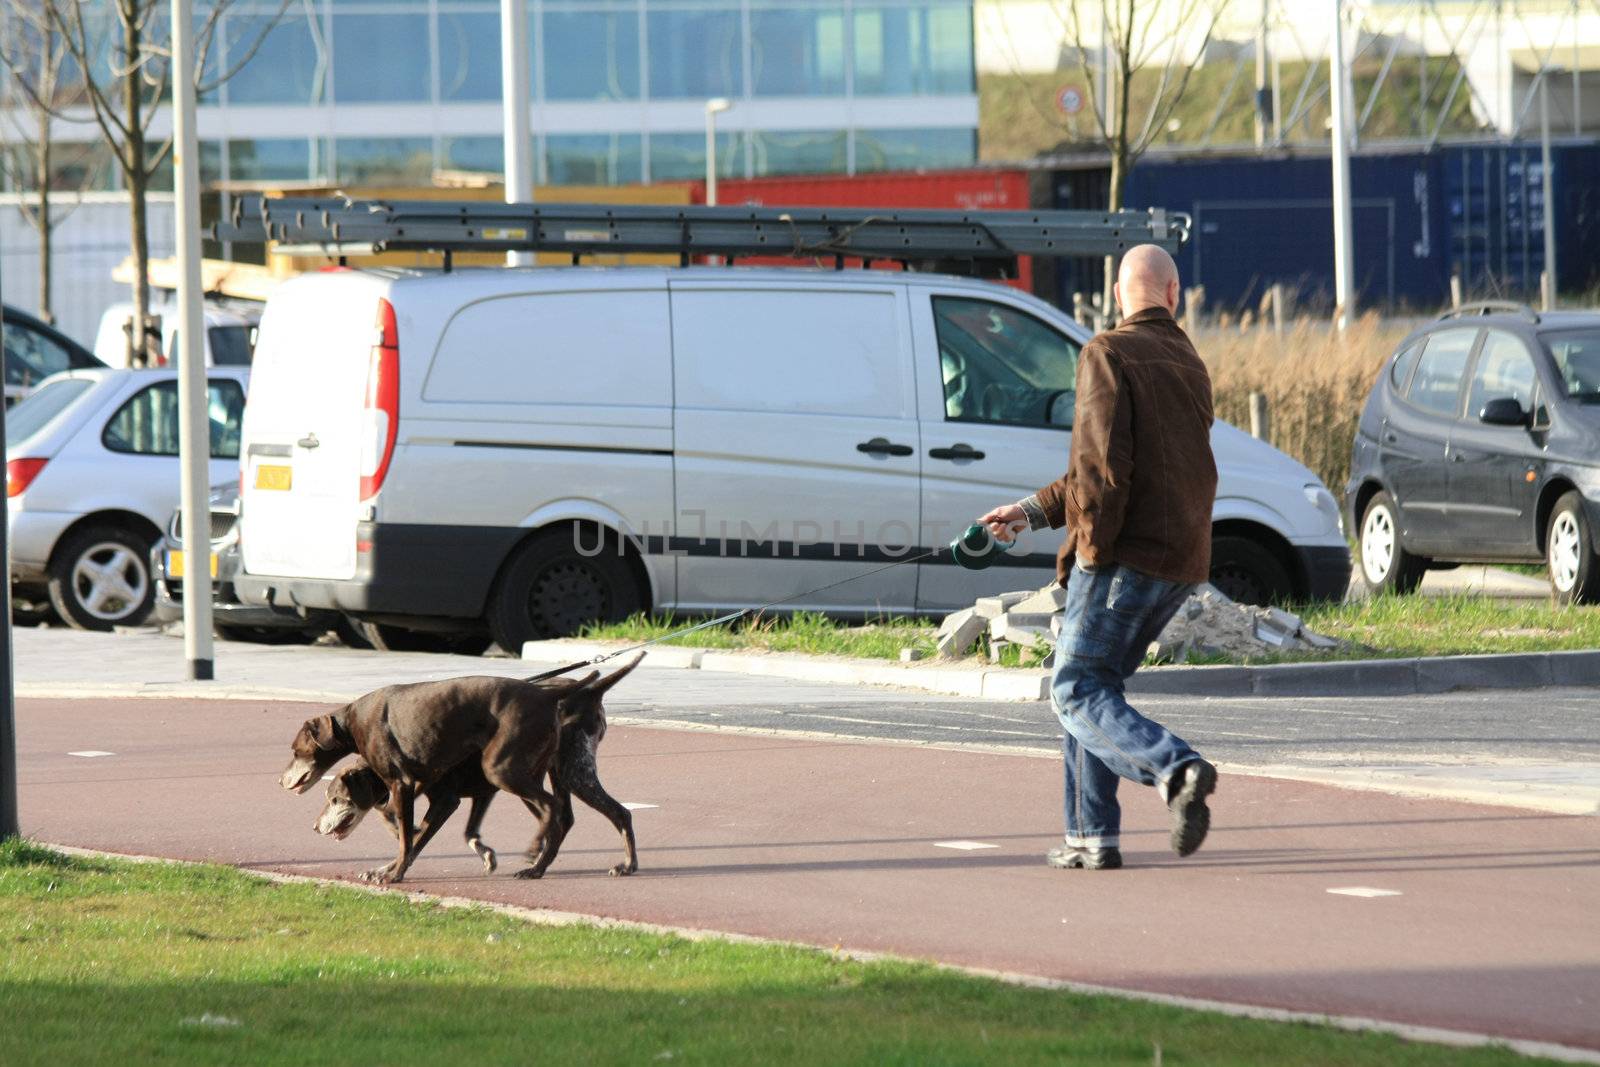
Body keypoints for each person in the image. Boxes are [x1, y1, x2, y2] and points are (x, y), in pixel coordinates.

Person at [980, 244, 1219, 872]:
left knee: (1073, 688)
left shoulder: (1105, 352)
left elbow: (1100, 471)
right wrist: (1030, 512)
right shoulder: (1187, 359)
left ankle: (1175, 769)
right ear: (1173, 295)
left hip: (1122, 559)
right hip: (1183, 560)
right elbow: (1119, 470)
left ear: (1119, 295)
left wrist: (1088, 554)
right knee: (1094, 686)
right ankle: (1090, 836)